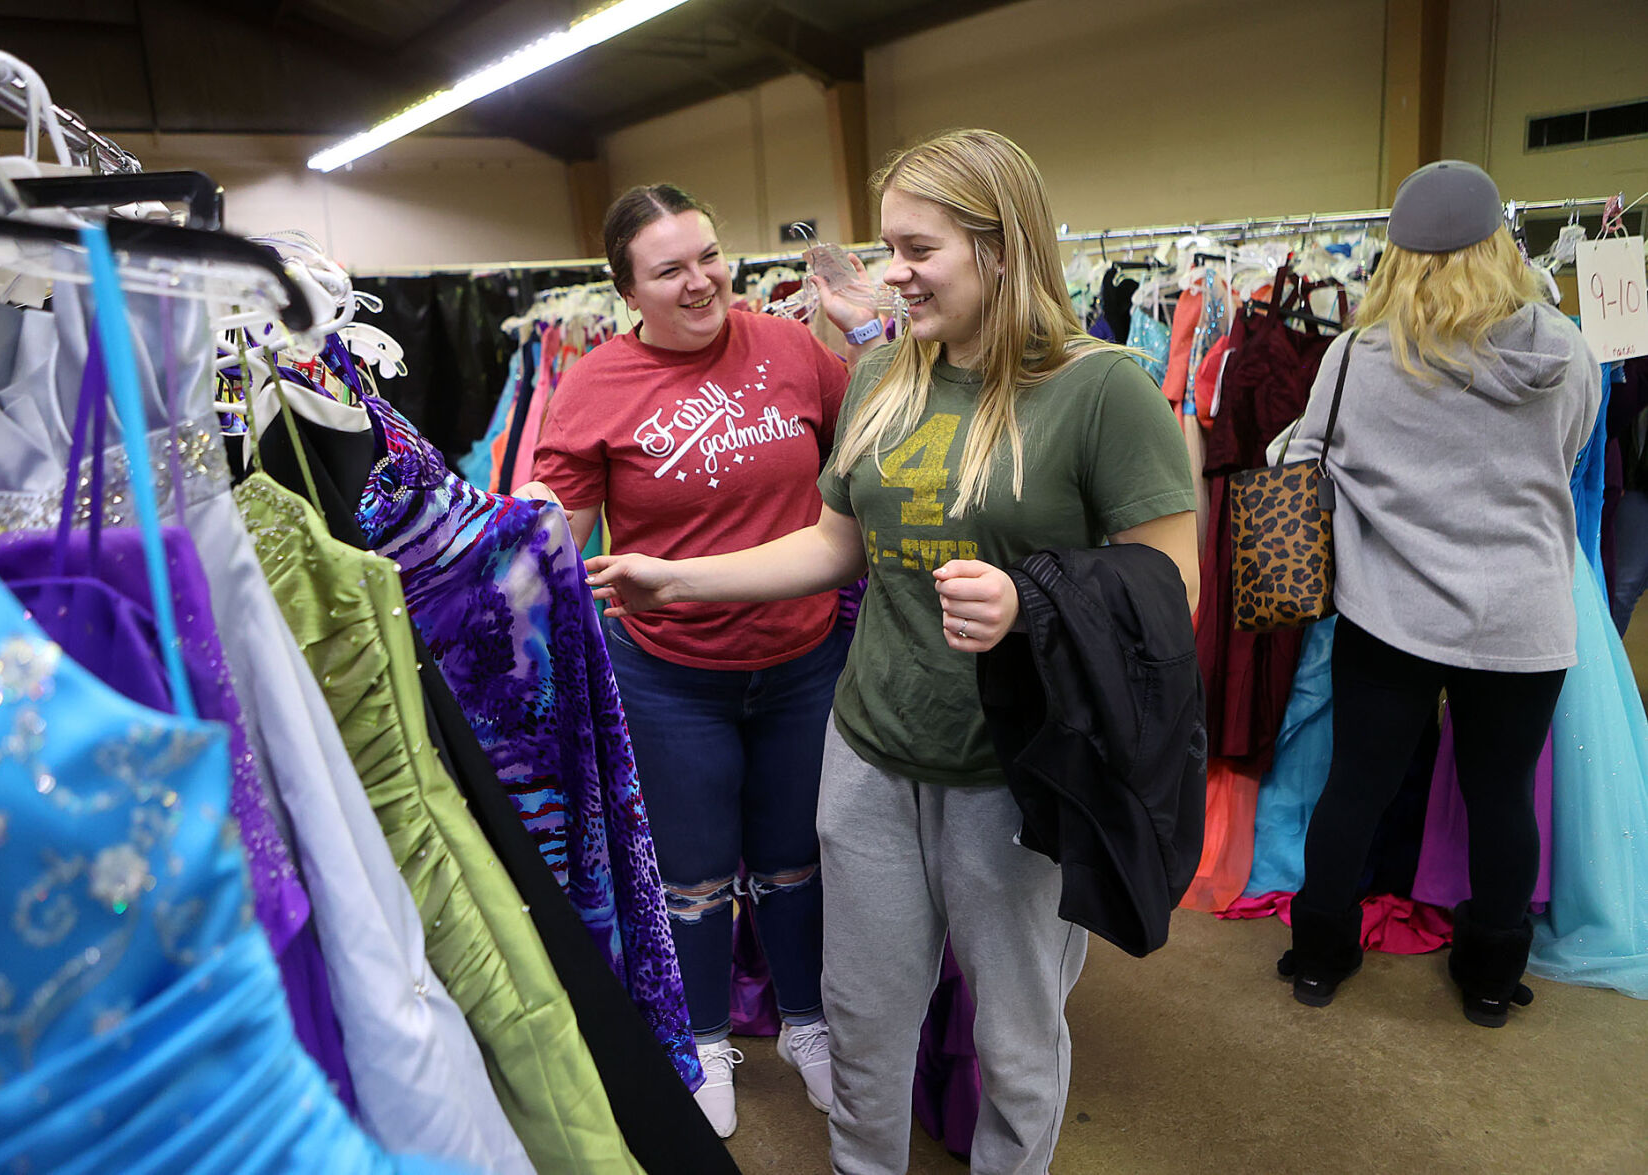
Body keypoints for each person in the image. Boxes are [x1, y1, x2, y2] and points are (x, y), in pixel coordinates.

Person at [582, 130, 1199, 1174]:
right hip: (867, 749)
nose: (890, 274)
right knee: (863, 1028)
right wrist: (671, 576)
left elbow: (1169, 583)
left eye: (918, 249)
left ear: (998, 247)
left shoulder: (1103, 390)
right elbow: (833, 543)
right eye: (889, 248)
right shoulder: (881, 375)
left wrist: (1029, 600)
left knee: (1013, 1037)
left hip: (1018, 768)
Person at [519, 183, 883, 1137]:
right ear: (627, 290)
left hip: (806, 655)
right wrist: (512, 545)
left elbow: (872, 442)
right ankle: (705, 1036)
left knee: (797, 857)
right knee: (691, 872)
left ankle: (808, 1025)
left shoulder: (791, 348)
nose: (700, 281)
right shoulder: (595, 381)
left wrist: (879, 330)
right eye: (669, 269)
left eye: (708, 255)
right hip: (670, 671)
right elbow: (561, 528)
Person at [1275, 160, 1601, 1026]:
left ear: (1396, 256)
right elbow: (1563, 461)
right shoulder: (1567, 353)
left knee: (1355, 784)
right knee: (1502, 798)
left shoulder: (1354, 355)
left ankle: (1318, 957)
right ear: (1500, 246)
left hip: (1389, 615)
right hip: (1524, 618)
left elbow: (1300, 459)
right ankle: (1491, 979)